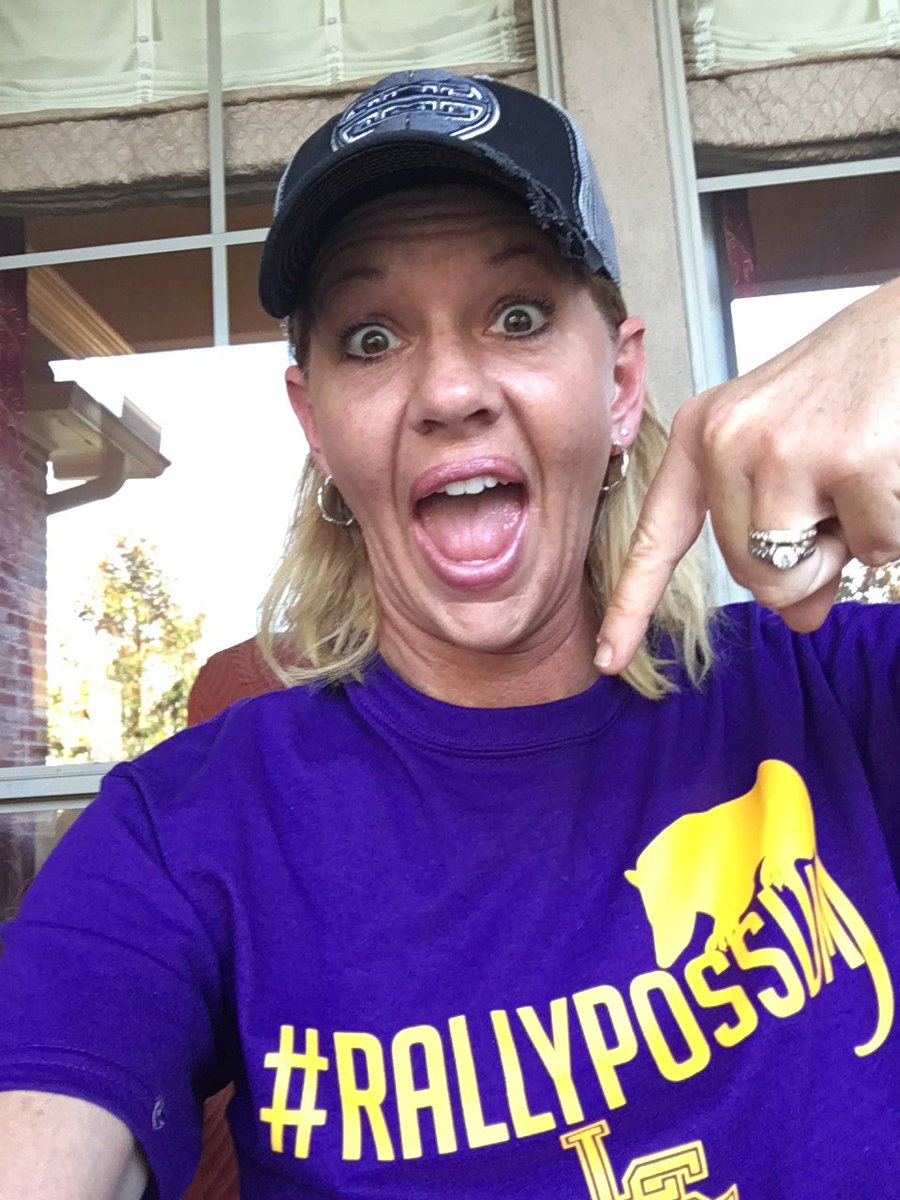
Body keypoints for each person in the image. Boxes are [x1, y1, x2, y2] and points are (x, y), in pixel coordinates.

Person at [0, 68, 897, 1200]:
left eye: (517, 315)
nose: (449, 390)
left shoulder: (840, 698)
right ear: (315, 422)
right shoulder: (181, 836)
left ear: (621, 385)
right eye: (371, 337)